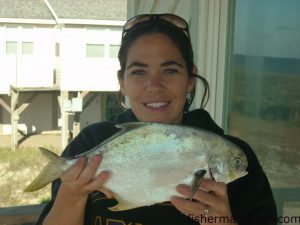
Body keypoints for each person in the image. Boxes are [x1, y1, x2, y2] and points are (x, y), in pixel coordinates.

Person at [35, 14, 277, 225]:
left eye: (169, 70)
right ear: (122, 81)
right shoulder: (91, 142)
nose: (154, 86)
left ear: (191, 78)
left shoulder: (228, 156)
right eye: (139, 72)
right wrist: (71, 195)